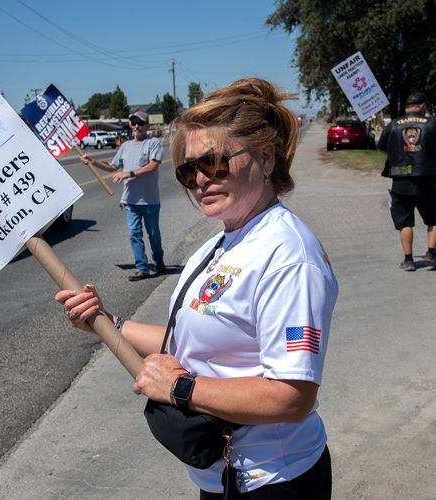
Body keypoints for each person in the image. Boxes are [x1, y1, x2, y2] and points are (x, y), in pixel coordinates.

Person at [58, 78, 338, 498]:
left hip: (275, 478)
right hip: (223, 475)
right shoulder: (222, 241)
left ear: (265, 158)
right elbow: (188, 342)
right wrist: (105, 321)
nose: (200, 180)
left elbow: (291, 397)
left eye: (216, 163)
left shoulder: (288, 256)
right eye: (189, 171)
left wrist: (179, 388)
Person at [81, 110, 165, 281]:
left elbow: (152, 166)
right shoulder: (125, 146)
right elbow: (113, 167)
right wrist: (93, 161)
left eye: (140, 123)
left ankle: (159, 260)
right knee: (134, 234)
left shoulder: (153, 143)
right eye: (133, 123)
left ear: (147, 125)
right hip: (130, 201)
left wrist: (129, 174)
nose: (136, 126)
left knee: (154, 234)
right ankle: (142, 268)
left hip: (149, 200)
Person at [377, 92, 436, 271]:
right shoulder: (433, 124)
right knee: (433, 218)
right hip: (427, 179)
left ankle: (408, 260)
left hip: (400, 181)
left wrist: (395, 155)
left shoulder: (394, 124)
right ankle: (431, 253)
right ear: (421, 106)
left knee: (404, 221)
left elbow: (381, 147)